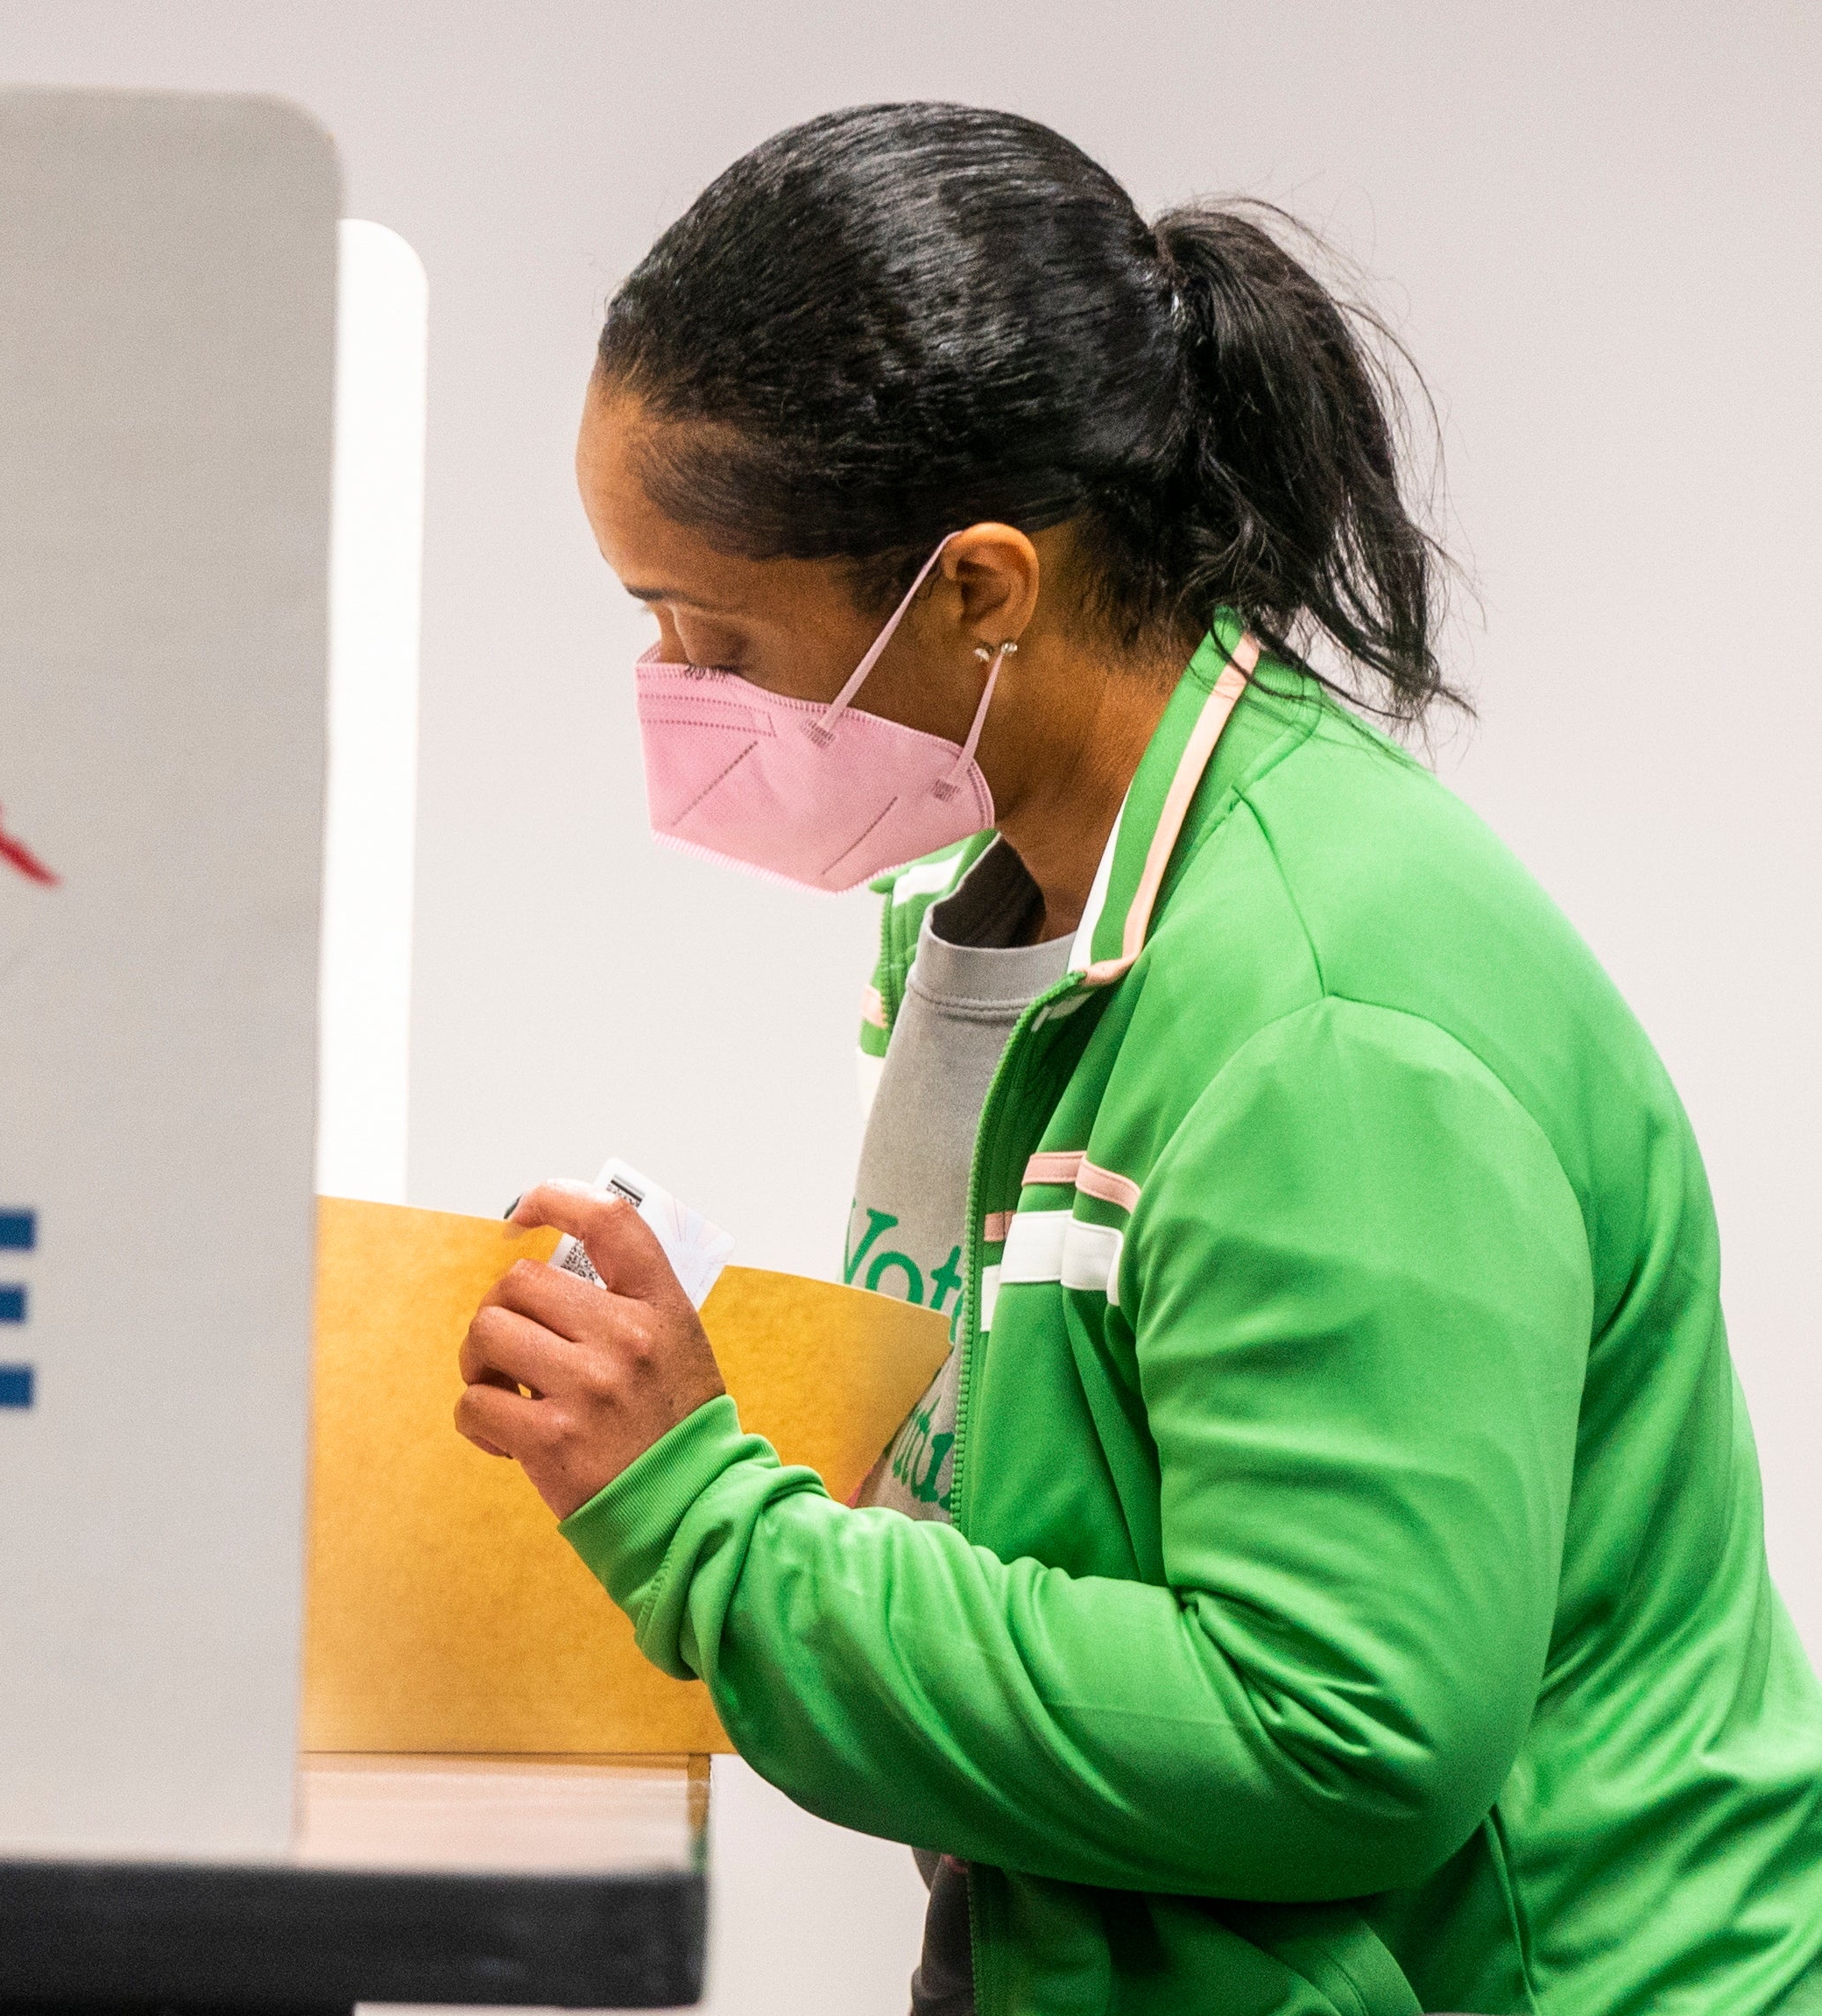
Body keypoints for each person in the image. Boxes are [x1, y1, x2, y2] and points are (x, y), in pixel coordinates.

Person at [455, 102, 1822, 2015]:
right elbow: (1067, 1502)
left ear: (978, 588)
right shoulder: (1006, 917)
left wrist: (704, 1519)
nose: (679, 698)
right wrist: (705, 1419)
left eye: (717, 632)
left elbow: (1334, 1732)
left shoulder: (1329, 1028)